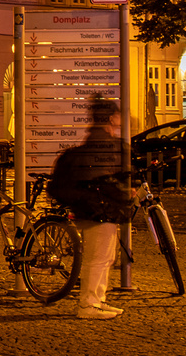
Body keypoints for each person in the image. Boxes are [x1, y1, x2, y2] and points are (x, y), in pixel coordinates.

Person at [49, 95, 133, 320]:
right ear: (110, 118)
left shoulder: (99, 139)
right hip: (98, 209)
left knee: (105, 257)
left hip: (97, 208)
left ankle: (98, 299)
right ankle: (88, 304)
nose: (120, 119)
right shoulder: (104, 143)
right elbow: (104, 177)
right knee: (98, 258)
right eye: (116, 115)